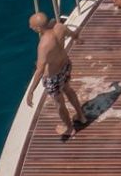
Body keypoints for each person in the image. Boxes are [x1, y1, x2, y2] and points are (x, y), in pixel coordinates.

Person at [30, 12, 87, 140]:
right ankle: (81, 116)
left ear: (39, 29)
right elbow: (73, 34)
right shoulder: (60, 27)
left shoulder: (43, 45)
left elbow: (39, 70)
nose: (31, 28)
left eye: (32, 26)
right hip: (65, 66)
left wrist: (31, 91)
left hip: (53, 77)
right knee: (68, 89)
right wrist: (78, 39)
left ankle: (69, 128)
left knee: (59, 103)